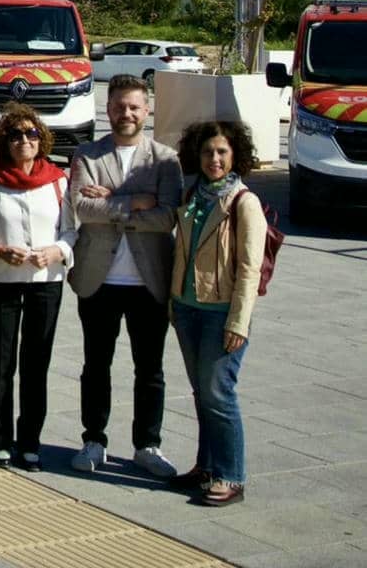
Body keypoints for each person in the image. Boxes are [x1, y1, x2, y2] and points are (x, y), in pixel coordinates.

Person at [66, 75, 181, 479]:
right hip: (99, 279)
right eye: (118, 106)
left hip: (149, 282)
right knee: (96, 365)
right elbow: (81, 208)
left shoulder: (165, 160)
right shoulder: (87, 155)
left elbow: (168, 215)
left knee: (149, 369)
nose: (125, 114)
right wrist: (135, 202)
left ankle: (147, 444)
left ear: (146, 110)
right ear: (107, 108)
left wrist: (112, 202)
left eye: (133, 107)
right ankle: (93, 439)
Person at [168, 120, 266, 508]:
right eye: (208, 152)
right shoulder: (194, 194)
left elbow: (249, 269)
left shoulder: (244, 202)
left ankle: (231, 475)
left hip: (221, 313)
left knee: (218, 393)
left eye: (222, 152)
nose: (214, 159)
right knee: (202, 393)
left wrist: (238, 322)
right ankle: (206, 466)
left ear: (234, 155)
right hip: (188, 308)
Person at [0, 105, 75, 471]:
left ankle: (31, 439)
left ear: (42, 139)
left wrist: (58, 251)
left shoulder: (58, 180)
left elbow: (72, 230)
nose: (24, 140)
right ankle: (1, 439)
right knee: (1, 363)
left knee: (36, 364)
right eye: (16, 135)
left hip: (45, 282)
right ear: (4, 141)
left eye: (31, 134)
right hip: (1, 280)